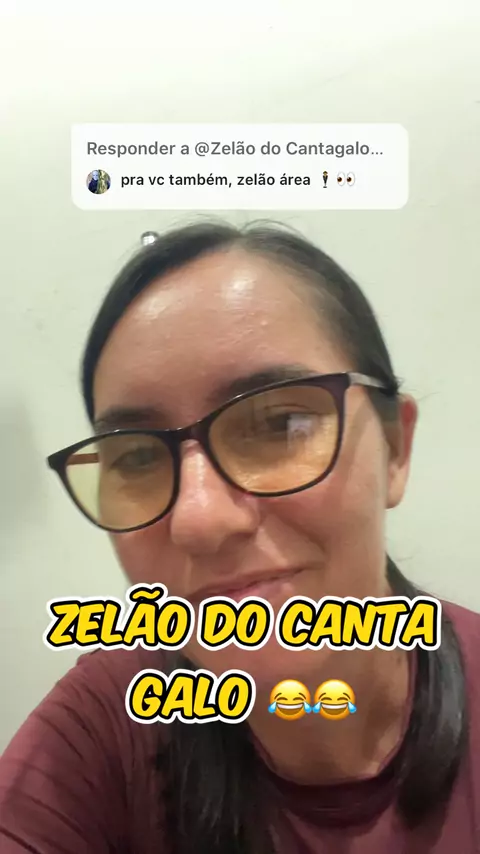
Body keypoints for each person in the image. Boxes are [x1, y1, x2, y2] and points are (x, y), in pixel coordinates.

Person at [1, 221, 479, 853]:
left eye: (279, 424)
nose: (200, 520)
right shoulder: (107, 726)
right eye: (137, 458)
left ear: (395, 447)